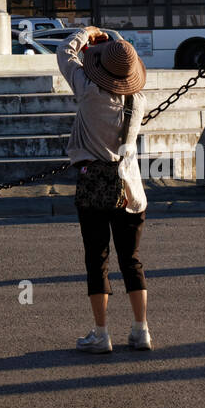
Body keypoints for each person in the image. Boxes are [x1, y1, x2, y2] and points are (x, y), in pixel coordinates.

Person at [57, 25, 150, 354]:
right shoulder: (138, 99)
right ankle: (141, 330)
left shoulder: (89, 91)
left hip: (94, 184)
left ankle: (101, 333)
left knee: (97, 260)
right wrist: (115, 42)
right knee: (132, 261)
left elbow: (64, 53)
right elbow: (121, 60)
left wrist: (87, 32)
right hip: (130, 188)